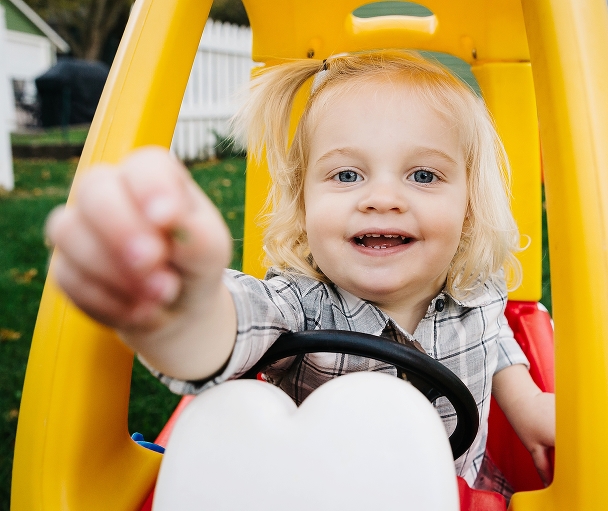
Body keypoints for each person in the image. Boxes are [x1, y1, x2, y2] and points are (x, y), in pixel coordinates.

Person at [46, 50, 554, 495]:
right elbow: (235, 327)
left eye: (423, 175)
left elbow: (497, 343)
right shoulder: (301, 304)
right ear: (302, 201)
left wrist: (527, 404)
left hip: (459, 490)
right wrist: (187, 309)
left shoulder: (476, 288)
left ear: (468, 206)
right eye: (346, 174)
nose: (381, 199)